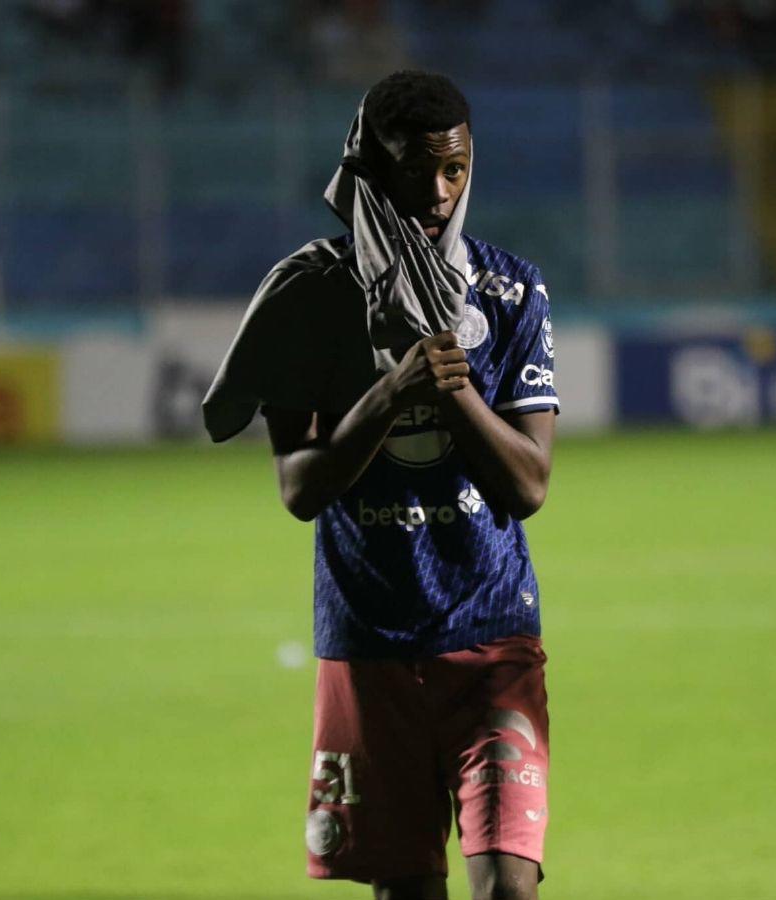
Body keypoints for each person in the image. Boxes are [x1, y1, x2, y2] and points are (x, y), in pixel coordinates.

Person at [202, 70, 558, 900]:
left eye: (455, 169)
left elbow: (529, 485)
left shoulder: (510, 291)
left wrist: (451, 387)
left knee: (510, 887)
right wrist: (392, 391)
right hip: (368, 644)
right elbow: (299, 488)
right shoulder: (311, 294)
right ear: (369, 166)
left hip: (493, 640)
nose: (438, 193)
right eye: (415, 170)